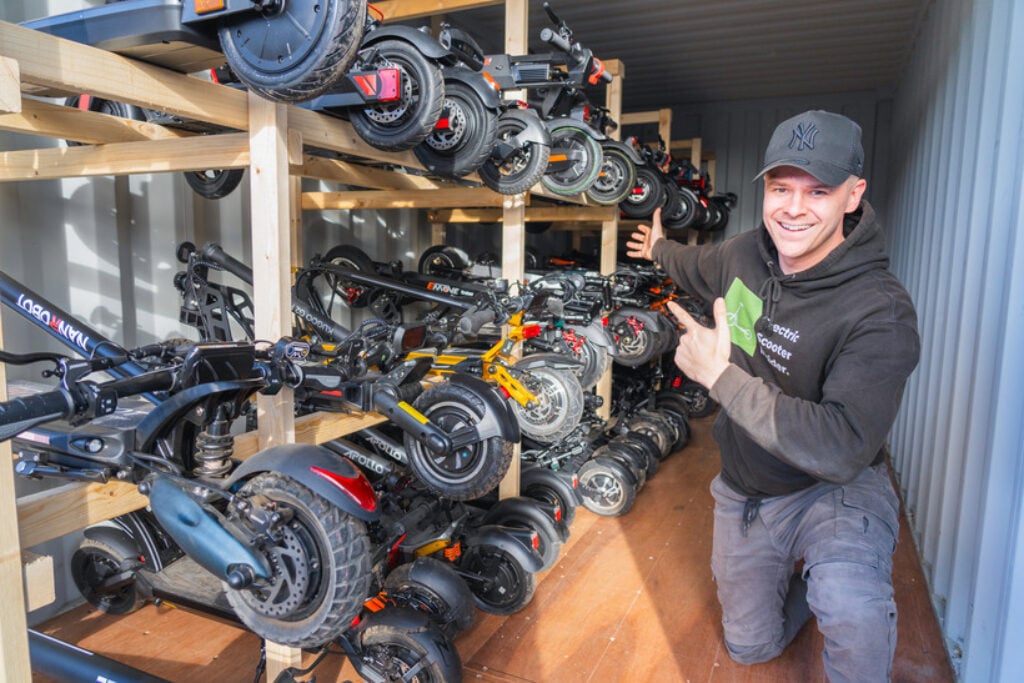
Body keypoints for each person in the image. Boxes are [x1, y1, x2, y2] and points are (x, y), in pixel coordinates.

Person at [626, 110, 920, 682]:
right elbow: (693, 264)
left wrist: (721, 378)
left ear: (853, 196)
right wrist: (659, 247)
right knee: (749, 648)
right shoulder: (743, 254)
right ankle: (799, 587)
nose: (792, 208)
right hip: (750, 489)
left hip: (832, 488)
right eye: (781, 188)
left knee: (852, 607)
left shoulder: (879, 310)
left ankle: (826, 576)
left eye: (818, 191)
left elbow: (842, 446)